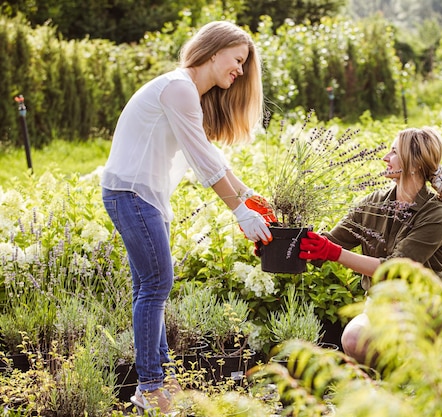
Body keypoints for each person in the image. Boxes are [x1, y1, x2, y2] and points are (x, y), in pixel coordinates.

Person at [101, 21, 274, 414]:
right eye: (238, 59)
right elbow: (202, 162)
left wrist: (246, 194)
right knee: (157, 285)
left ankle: (160, 379)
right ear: (214, 52)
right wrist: (240, 212)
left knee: (149, 286)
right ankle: (150, 387)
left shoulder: (184, 90)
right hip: (132, 193)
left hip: (140, 195)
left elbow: (210, 156)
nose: (241, 70)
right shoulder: (179, 88)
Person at [299, 127, 442, 365]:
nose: (385, 158)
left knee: (376, 341)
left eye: (393, 152)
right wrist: (281, 241)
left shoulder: (435, 214)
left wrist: (334, 254)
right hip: (382, 305)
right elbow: (331, 241)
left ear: (413, 164)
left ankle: (411, 384)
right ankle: (386, 388)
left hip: (423, 309)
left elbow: (393, 269)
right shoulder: (373, 203)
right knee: (353, 339)